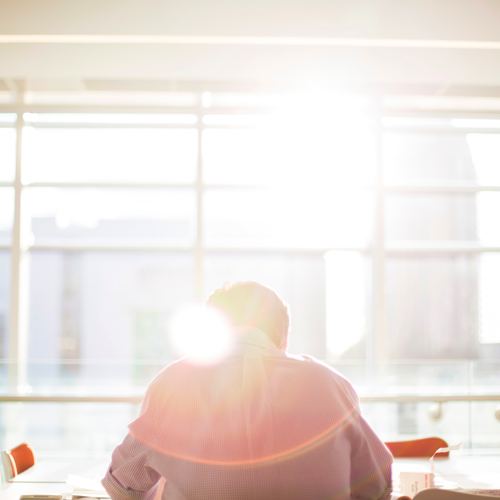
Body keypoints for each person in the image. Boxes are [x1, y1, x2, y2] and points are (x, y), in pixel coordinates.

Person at [102, 281, 392, 500]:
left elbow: (122, 486)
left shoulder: (173, 384)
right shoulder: (331, 384)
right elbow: (378, 485)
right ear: (284, 338)